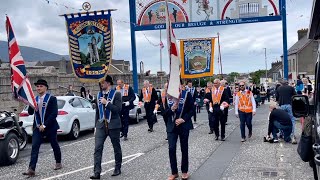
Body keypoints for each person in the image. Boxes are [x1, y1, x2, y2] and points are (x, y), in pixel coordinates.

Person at [22, 79, 62, 177]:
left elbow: (54, 113)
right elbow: (30, 113)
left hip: (50, 126)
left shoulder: (51, 99)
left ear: (46, 88)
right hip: (37, 126)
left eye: (41, 86)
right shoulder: (34, 99)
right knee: (35, 147)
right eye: (37, 86)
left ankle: (58, 162)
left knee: (54, 144)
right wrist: (30, 103)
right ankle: (31, 169)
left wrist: (45, 125)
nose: (38, 88)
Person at [90, 75, 122, 179]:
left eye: (102, 82)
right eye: (100, 83)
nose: (101, 84)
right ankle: (97, 172)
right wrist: (95, 126)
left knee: (116, 147)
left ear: (108, 83)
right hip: (101, 125)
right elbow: (97, 112)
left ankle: (117, 167)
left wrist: (107, 103)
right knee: (97, 148)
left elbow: (118, 110)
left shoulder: (116, 94)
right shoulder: (99, 94)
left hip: (113, 125)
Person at [166, 81, 193, 180]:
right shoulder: (167, 96)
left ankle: (185, 171)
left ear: (181, 85)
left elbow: (192, 110)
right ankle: (174, 172)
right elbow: (163, 112)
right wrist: (171, 109)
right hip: (171, 126)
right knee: (171, 149)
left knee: (184, 148)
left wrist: (183, 119)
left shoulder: (187, 94)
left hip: (184, 125)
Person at [276, 79, 297, 144]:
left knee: (281, 120)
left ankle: (282, 134)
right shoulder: (291, 88)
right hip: (289, 105)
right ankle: (292, 135)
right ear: (287, 83)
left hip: (281, 106)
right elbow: (295, 95)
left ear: (281, 83)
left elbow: (277, 98)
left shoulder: (279, 88)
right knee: (292, 120)